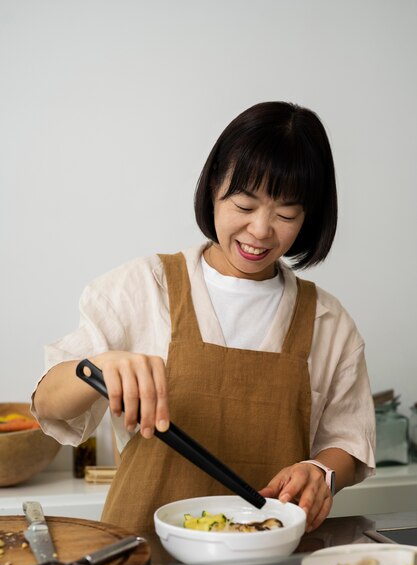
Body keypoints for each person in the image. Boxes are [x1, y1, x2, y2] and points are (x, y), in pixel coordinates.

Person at [32, 102, 376, 534]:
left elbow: (347, 440)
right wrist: (100, 365)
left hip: (268, 561)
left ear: (309, 218)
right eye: (245, 204)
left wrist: (320, 472)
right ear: (214, 186)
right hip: (144, 553)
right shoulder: (145, 286)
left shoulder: (328, 322)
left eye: (286, 214)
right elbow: (47, 402)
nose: (261, 231)